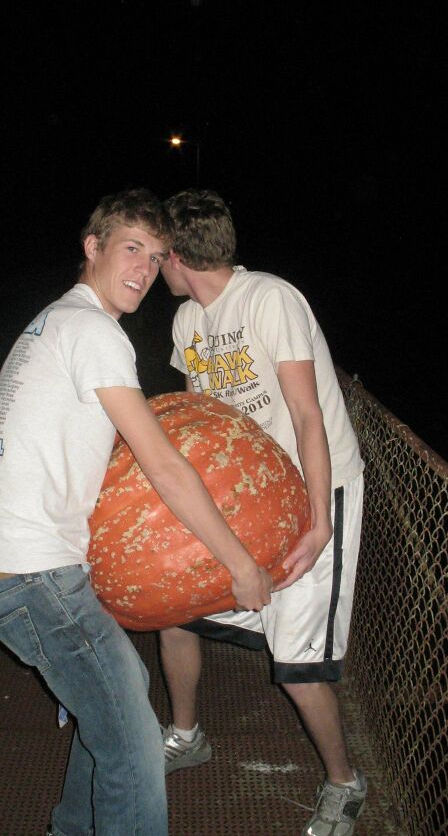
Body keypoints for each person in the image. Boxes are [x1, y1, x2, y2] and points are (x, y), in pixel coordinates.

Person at [0, 188, 272, 836]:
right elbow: (161, 463)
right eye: (131, 248)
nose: (144, 267)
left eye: (157, 256)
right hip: (33, 574)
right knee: (135, 746)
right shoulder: (94, 332)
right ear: (93, 247)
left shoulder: (60, 320)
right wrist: (238, 561)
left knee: (121, 690)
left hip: (19, 564)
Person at [158, 189, 367, 836]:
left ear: (174, 253)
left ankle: (345, 782)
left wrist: (320, 521)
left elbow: (306, 413)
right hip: (248, 493)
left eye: (156, 253)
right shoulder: (187, 322)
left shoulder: (270, 298)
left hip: (312, 484)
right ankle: (186, 735)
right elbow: (201, 422)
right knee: (179, 609)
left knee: (296, 658)